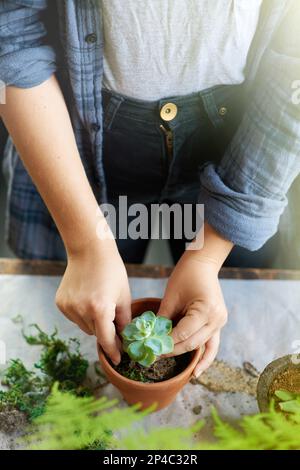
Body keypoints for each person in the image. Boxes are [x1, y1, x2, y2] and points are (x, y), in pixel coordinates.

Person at [0, 1, 299, 378]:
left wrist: (207, 257)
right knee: (82, 310)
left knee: (237, 312)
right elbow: (10, 34)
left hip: (241, 156)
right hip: (70, 153)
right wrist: (85, 246)